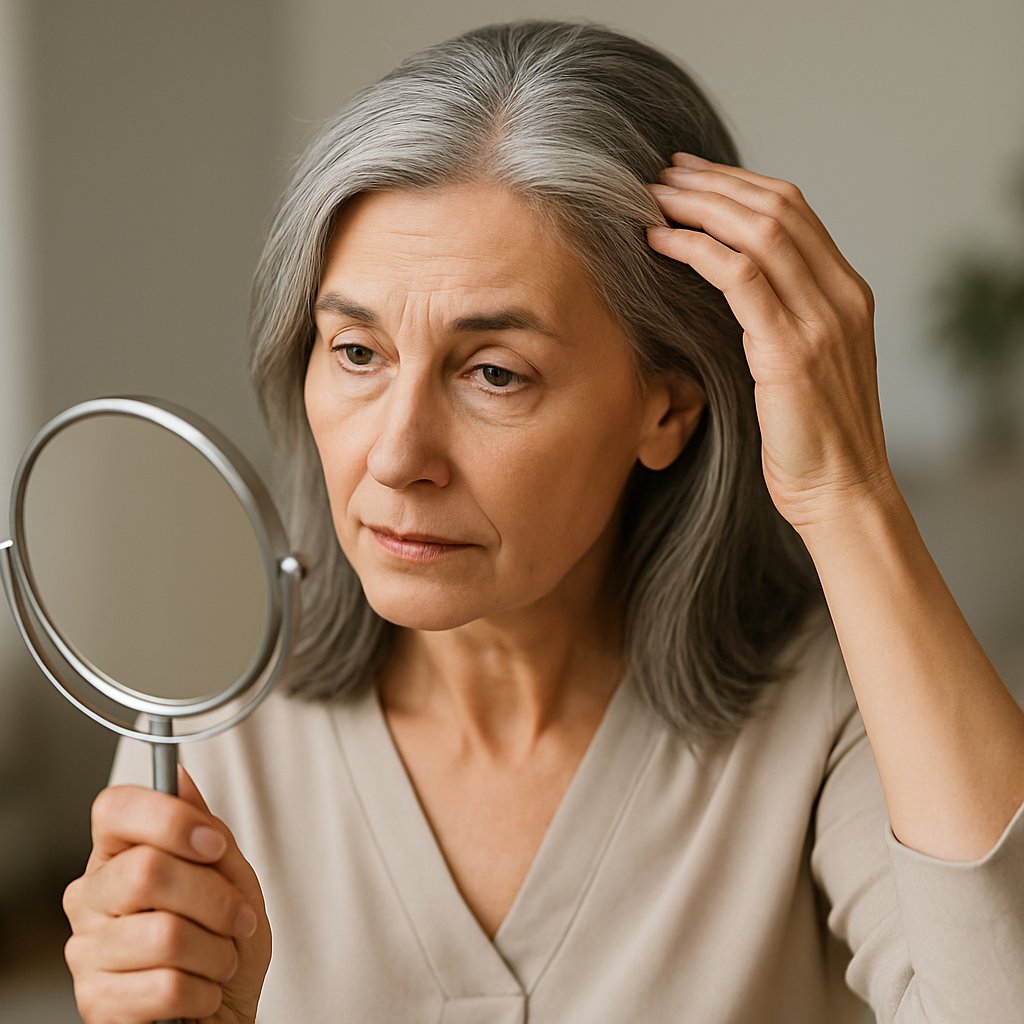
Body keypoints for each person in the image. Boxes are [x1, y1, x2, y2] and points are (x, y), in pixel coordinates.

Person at [61, 18, 1024, 1024]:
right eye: (356, 352)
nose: (395, 457)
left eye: (493, 373)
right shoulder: (218, 721)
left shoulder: (833, 706)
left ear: (667, 407)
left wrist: (850, 491)